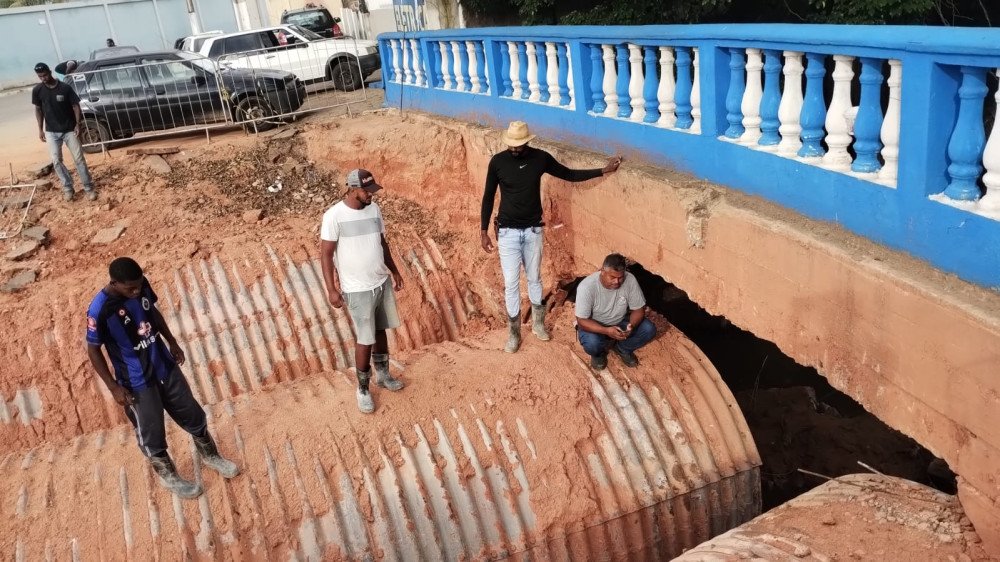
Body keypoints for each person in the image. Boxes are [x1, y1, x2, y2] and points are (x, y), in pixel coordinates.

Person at [86, 258, 239, 499]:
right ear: (114, 283)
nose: (136, 292)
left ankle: (211, 456)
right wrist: (113, 387)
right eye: (130, 289)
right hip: (136, 381)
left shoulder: (141, 285)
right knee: (151, 431)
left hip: (164, 366)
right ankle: (170, 477)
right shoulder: (99, 309)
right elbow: (93, 350)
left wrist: (172, 341)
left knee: (191, 412)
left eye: (138, 286)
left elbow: (152, 312)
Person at [481, 120, 622, 353]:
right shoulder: (497, 162)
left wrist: (602, 170)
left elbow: (569, 174)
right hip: (507, 233)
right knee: (511, 284)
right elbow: (488, 197)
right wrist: (483, 231)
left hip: (533, 230)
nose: (514, 150)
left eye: (518, 145)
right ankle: (514, 334)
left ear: (527, 142)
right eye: (511, 145)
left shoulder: (540, 158)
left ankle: (538, 324)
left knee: (535, 278)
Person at [320, 169, 406, 414]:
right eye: (367, 191)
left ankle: (383, 375)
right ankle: (363, 388)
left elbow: (382, 243)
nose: (371, 195)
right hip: (357, 289)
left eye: (372, 191)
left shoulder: (374, 210)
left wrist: (395, 271)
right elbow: (325, 255)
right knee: (365, 339)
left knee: (380, 331)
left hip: (380, 282)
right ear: (352, 189)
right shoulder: (334, 216)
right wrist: (331, 290)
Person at [575, 253, 658, 370]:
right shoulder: (587, 287)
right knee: (592, 344)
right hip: (595, 325)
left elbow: (638, 310)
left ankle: (622, 348)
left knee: (649, 329)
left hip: (620, 321)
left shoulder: (630, 280)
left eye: (621, 277)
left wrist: (631, 326)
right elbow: (582, 321)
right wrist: (606, 330)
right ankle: (599, 354)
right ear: (602, 271)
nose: (617, 282)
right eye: (612, 277)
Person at [31, 62, 96, 202]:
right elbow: (38, 109)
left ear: (50, 72)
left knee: (79, 159)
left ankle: (88, 188)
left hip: (69, 130)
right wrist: (40, 129)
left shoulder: (65, 88)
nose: (43, 78)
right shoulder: (37, 90)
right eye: (40, 76)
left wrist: (78, 124)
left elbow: (75, 106)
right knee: (56, 161)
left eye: (45, 75)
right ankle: (68, 188)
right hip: (51, 132)